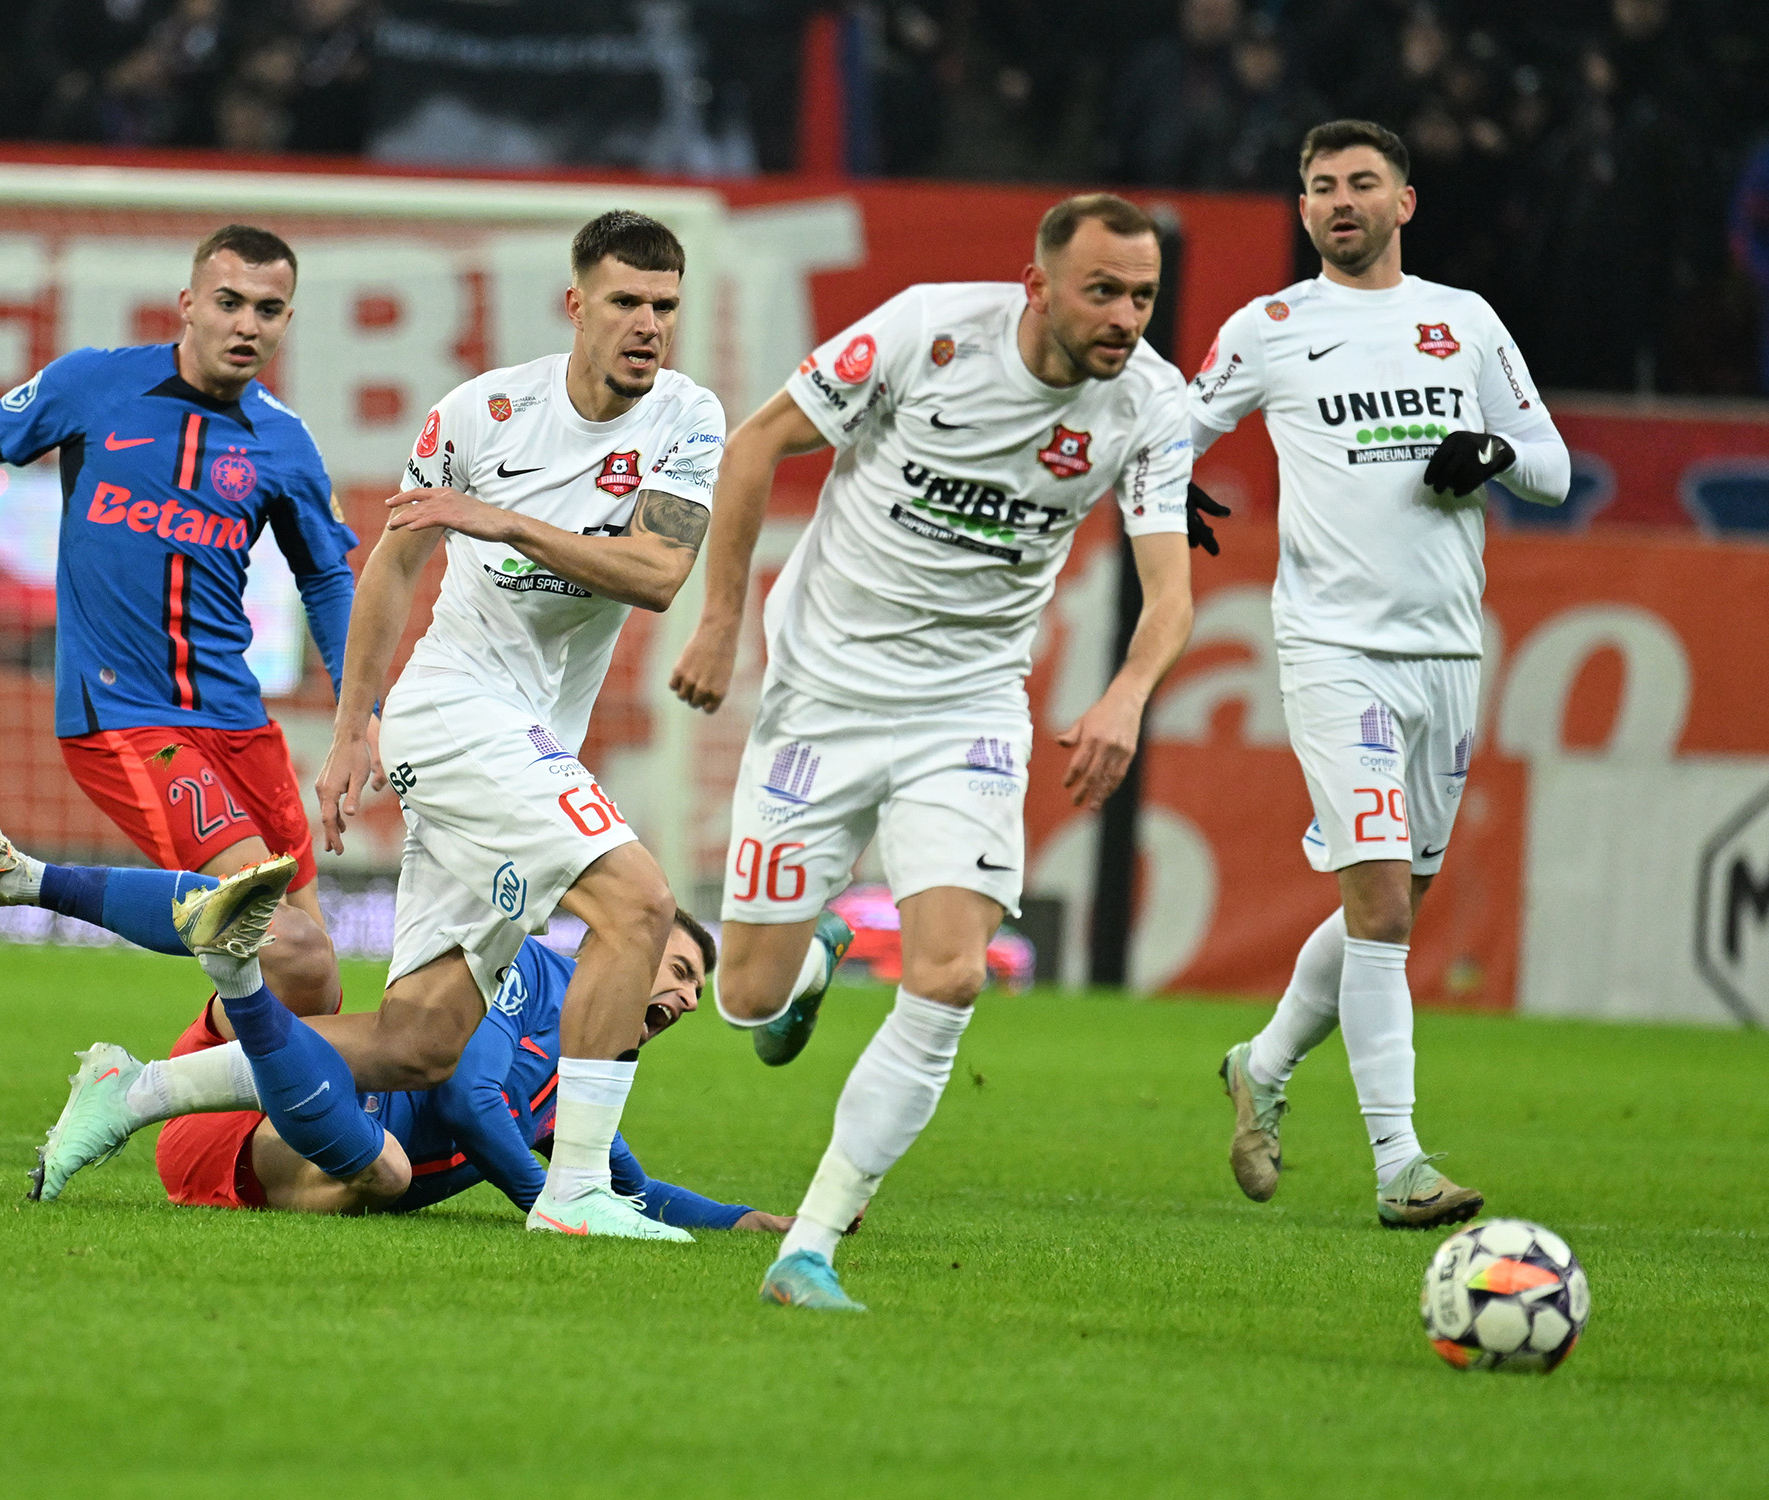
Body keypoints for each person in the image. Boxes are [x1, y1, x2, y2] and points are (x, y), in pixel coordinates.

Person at [668, 192, 1210, 1310]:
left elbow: (1170, 591)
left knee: (952, 974)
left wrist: (1125, 696)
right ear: (1037, 285)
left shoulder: (1152, 404)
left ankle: (809, 1245)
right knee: (747, 997)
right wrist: (718, 621)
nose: (1124, 318)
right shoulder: (927, 330)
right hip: (821, 696)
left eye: (1142, 296)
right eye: (1101, 292)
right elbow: (757, 441)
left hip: (966, 712)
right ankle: (809, 961)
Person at [301, 209, 789, 1241]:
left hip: (528, 738)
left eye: (664, 306)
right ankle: (574, 1193)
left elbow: (657, 574)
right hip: (450, 711)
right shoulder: (479, 414)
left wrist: (509, 522)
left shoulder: (687, 418)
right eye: (625, 302)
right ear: (576, 305)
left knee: (417, 1040)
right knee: (641, 905)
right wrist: (350, 728)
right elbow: (392, 564)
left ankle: (142, 1088)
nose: (648, 325)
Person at [1190, 119, 1569, 1228]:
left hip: (1446, 651)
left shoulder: (1463, 321)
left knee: (1396, 905)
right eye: (1320, 186)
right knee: (1383, 903)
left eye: (1361, 182)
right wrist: (1167, 490)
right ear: (1303, 208)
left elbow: (1548, 464)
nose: (1339, 200)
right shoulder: (1270, 328)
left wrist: (1494, 454)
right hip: (1333, 648)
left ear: (1404, 202)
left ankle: (1260, 1064)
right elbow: (1172, 425)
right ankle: (1400, 1164)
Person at [0, 225, 362, 1020]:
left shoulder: (284, 440)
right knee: (266, 927)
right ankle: (30, 891)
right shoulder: (95, 385)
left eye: (268, 310)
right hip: (126, 716)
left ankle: (190, 1090)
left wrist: (356, 713)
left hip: (241, 723)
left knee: (312, 978)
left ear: (287, 321)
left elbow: (328, 577)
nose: (247, 325)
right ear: (188, 304)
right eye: (229, 302)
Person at [32, 857, 789, 1231]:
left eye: (697, 993)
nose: (689, 1000)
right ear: (619, 948)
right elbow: (467, 1096)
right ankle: (40, 884)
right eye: (679, 972)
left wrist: (740, 1219)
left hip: (280, 1141)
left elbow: (629, 1189)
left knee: (386, 1169)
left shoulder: (581, 1077)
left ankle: (195, 1027)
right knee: (305, 954)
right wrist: (548, 1202)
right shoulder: (530, 970)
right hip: (245, 1124)